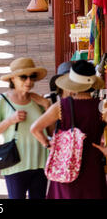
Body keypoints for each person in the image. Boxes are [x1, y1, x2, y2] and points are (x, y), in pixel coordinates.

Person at [30, 59, 107, 199]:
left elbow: (35, 128)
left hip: (65, 168)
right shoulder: (102, 107)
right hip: (93, 168)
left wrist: (48, 144)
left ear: (72, 85)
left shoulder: (61, 107)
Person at [0, 57, 50, 199]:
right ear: (13, 79)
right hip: (15, 165)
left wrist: (47, 106)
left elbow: (50, 131)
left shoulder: (38, 101)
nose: (28, 81)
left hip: (39, 164)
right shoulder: (2, 101)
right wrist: (9, 120)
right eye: (23, 77)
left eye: (32, 77)